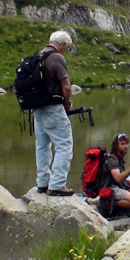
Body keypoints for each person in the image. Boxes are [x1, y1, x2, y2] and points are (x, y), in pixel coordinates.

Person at [33, 30, 75, 197]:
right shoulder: (56, 57)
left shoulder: (39, 55)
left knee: (42, 144)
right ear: (63, 44)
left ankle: (42, 183)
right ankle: (57, 185)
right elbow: (66, 86)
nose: (65, 49)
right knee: (64, 144)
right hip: (52, 106)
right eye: (66, 46)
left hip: (37, 107)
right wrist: (67, 102)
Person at [107, 133, 130, 209]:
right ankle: (109, 202)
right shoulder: (111, 160)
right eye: (122, 144)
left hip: (118, 185)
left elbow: (118, 178)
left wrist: (127, 182)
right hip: (110, 188)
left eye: (126, 144)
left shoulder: (118, 159)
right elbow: (118, 178)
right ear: (116, 146)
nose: (126, 146)